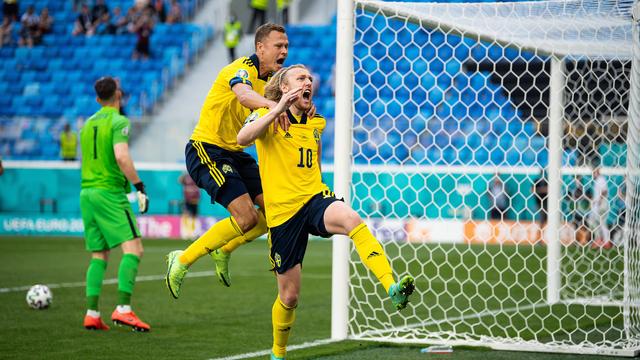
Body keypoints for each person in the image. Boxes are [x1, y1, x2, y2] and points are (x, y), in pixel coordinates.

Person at [237, 65, 415, 360]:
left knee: (352, 219)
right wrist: (276, 108)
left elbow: (315, 160)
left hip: (314, 199)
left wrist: (321, 190)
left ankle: (391, 286)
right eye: (300, 78)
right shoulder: (268, 116)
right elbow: (243, 138)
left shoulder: (316, 121)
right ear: (284, 87)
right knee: (289, 297)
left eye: (309, 78)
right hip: (283, 214)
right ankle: (278, 354)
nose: (308, 81)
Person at [165, 23, 296, 297]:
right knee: (247, 217)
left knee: (273, 212)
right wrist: (274, 106)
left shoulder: (273, 83)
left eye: (286, 46)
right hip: (207, 149)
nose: (284, 51)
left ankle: (225, 249)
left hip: (236, 153)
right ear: (260, 48)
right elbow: (245, 96)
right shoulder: (241, 69)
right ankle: (182, 259)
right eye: (278, 46)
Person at [80, 77, 151, 332]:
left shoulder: (87, 124)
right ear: (118, 95)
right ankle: (123, 309)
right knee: (134, 249)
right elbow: (121, 156)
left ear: (98, 99)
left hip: (87, 193)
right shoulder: (119, 121)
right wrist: (139, 186)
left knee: (99, 254)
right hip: (110, 193)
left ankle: (92, 313)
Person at [589, 166, 611, 248]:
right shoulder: (596, 180)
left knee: (602, 223)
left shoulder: (601, 179)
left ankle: (606, 241)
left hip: (601, 205)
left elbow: (604, 191)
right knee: (592, 221)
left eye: (594, 171)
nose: (593, 173)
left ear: (597, 171)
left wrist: (600, 201)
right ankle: (598, 239)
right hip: (596, 206)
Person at [569, 176, 591, 245]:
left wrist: (581, 196)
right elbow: (568, 196)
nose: (577, 181)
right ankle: (577, 240)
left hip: (583, 211)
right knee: (576, 226)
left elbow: (589, 196)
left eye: (578, 179)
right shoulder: (572, 188)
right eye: (576, 179)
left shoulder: (585, 188)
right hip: (576, 211)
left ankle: (588, 240)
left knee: (585, 226)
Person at [179, 172, 200, 239]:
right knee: (186, 215)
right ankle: (186, 232)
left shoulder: (196, 176)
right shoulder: (186, 177)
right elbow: (180, 180)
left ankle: (194, 232)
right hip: (187, 200)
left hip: (194, 200)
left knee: (194, 216)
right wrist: (183, 174)